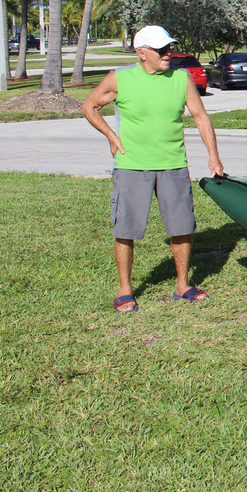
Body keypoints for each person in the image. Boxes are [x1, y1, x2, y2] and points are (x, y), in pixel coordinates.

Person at [82, 25, 225, 313]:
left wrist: (214, 156)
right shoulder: (120, 78)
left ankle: (183, 285)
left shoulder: (181, 79)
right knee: (126, 229)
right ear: (141, 52)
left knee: (181, 227)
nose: (168, 53)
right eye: (161, 50)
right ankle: (125, 290)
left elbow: (200, 117)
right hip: (132, 165)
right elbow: (89, 106)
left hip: (174, 164)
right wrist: (111, 136)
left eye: (169, 48)